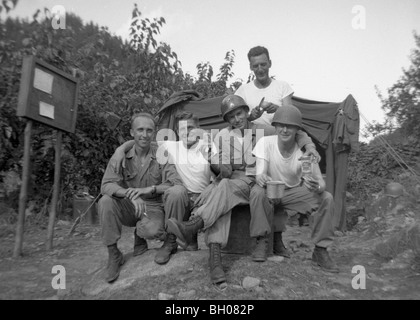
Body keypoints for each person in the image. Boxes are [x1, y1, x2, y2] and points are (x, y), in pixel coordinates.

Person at [166, 95, 320, 285]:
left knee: (226, 189)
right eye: (230, 117)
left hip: (260, 181)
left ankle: (194, 226)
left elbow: (295, 132)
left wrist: (310, 147)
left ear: (247, 112)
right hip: (236, 182)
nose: (236, 119)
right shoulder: (221, 136)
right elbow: (223, 167)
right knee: (222, 187)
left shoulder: (264, 130)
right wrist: (219, 165)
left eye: (239, 114)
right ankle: (213, 255)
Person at [111, 111, 219, 251]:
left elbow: (222, 172)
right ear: (177, 132)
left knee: (193, 245)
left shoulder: (208, 146)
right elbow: (142, 140)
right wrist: (120, 150)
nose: (187, 132)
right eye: (182, 129)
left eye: (191, 128)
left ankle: (200, 238)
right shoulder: (170, 146)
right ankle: (170, 240)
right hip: (181, 199)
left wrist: (213, 184)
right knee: (175, 193)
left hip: (202, 197)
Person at [99, 113, 184, 283]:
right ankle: (114, 254)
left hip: (152, 207)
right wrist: (129, 194)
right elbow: (106, 185)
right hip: (129, 205)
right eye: (140, 130)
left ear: (154, 133)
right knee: (105, 201)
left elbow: (174, 183)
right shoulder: (121, 156)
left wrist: (150, 189)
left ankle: (142, 237)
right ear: (132, 132)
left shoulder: (161, 153)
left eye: (149, 130)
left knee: (153, 231)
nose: (144, 135)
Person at [252, 105, 339, 273]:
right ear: (275, 126)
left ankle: (320, 250)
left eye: (290, 126)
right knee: (257, 191)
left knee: (326, 198)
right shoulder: (266, 143)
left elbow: (321, 182)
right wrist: (261, 177)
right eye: (281, 125)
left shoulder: (304, 152)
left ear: (297, 129)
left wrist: (317, 186)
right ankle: (263, 240)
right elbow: (260, 172)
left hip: (292, 192)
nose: (284, 130)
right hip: (270, 190)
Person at [235, 46, 294, 127]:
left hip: (278, 134)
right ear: (251, 67)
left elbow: (291, 116)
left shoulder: (283, 86)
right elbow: (236, 120)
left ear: (270, 63)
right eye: (256, 66)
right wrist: (251, 116)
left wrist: (278, 109)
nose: (260, 69)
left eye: (263, 64)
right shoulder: (242, 91)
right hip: (253, 135)